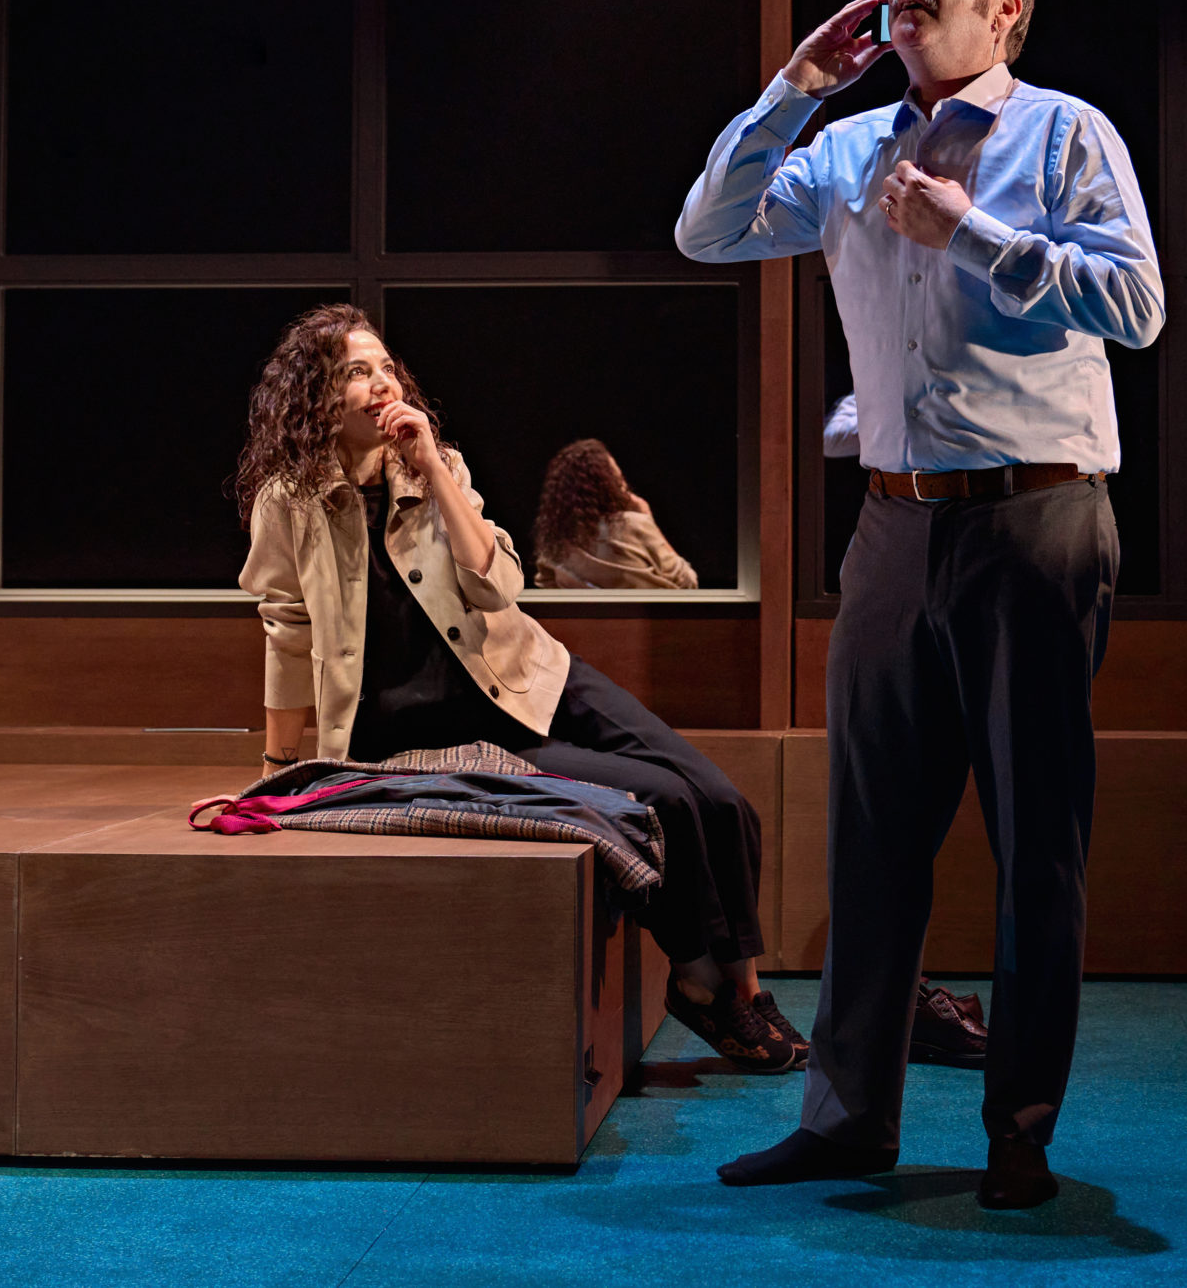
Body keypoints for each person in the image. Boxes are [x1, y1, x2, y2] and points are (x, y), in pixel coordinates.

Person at [676, 0, 1164, 1208]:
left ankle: (1020, 1131)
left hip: (1035, 517)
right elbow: (706, 230)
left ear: (1004, 5)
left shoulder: (1065, 132)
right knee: (872, 838)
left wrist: (974, 235)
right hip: (892, 525)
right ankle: (848, 1122)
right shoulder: (844, 148)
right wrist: (793, 87)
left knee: (1034, 840)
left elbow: (1136, 304)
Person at [232, 303, 800, 1070]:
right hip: (451, 728)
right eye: (356, 372)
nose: (381, 383)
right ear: (316, 397)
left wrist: (434, 469)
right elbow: (287, 630)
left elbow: (498, 587)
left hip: (532, 673)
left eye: (386, 368)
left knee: (721, 796)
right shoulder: (289, 502)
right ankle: (700, 981)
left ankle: (744, 989)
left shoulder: (439, 469)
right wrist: (278, 769)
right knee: (663, 799)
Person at [533, 438, 699, 590]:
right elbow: (687, 582)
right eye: (619, 480)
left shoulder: (556, 541)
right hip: (644, 614)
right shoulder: (633, 525)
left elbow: (547, 587)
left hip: (580, 615)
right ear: (610, 484)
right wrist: (648, 518)